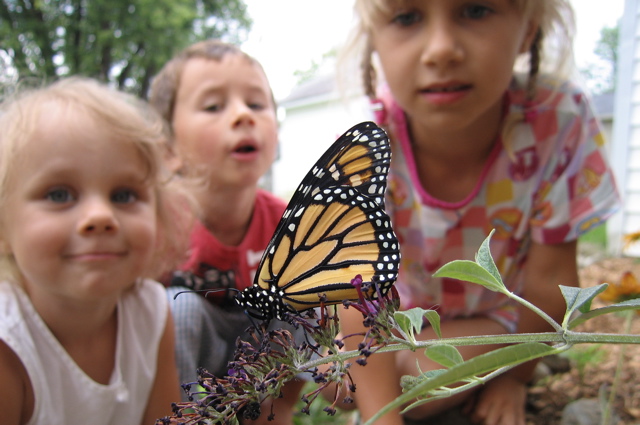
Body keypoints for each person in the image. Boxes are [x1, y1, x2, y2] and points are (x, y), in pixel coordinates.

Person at [334, 1, 621, 424]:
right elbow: (359, 299)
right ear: (374, 40)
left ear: (528, 29)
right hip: (400, 320)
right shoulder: (366, 142)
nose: (441, 49)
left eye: (475, 10)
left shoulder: (557, 121)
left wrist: (515, 377)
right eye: (407, 17)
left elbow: (548, 282)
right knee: (336, 381)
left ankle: (508, 366)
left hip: (495, 318)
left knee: (417, 393)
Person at [0, 77, 189, 425]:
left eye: (123, 195)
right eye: (59, 195)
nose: (100, 216)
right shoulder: (8, 342)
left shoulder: (150, 311)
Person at [148, 40, 304, 424]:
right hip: (192, 346)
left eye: (255, 104)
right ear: (168, 146)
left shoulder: (286, 221)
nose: (241, 116)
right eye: (214, 106)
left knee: (302, 303)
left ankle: (272, 413)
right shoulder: (159, 226)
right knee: (174, 307)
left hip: (261, 344)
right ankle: (180, 417)